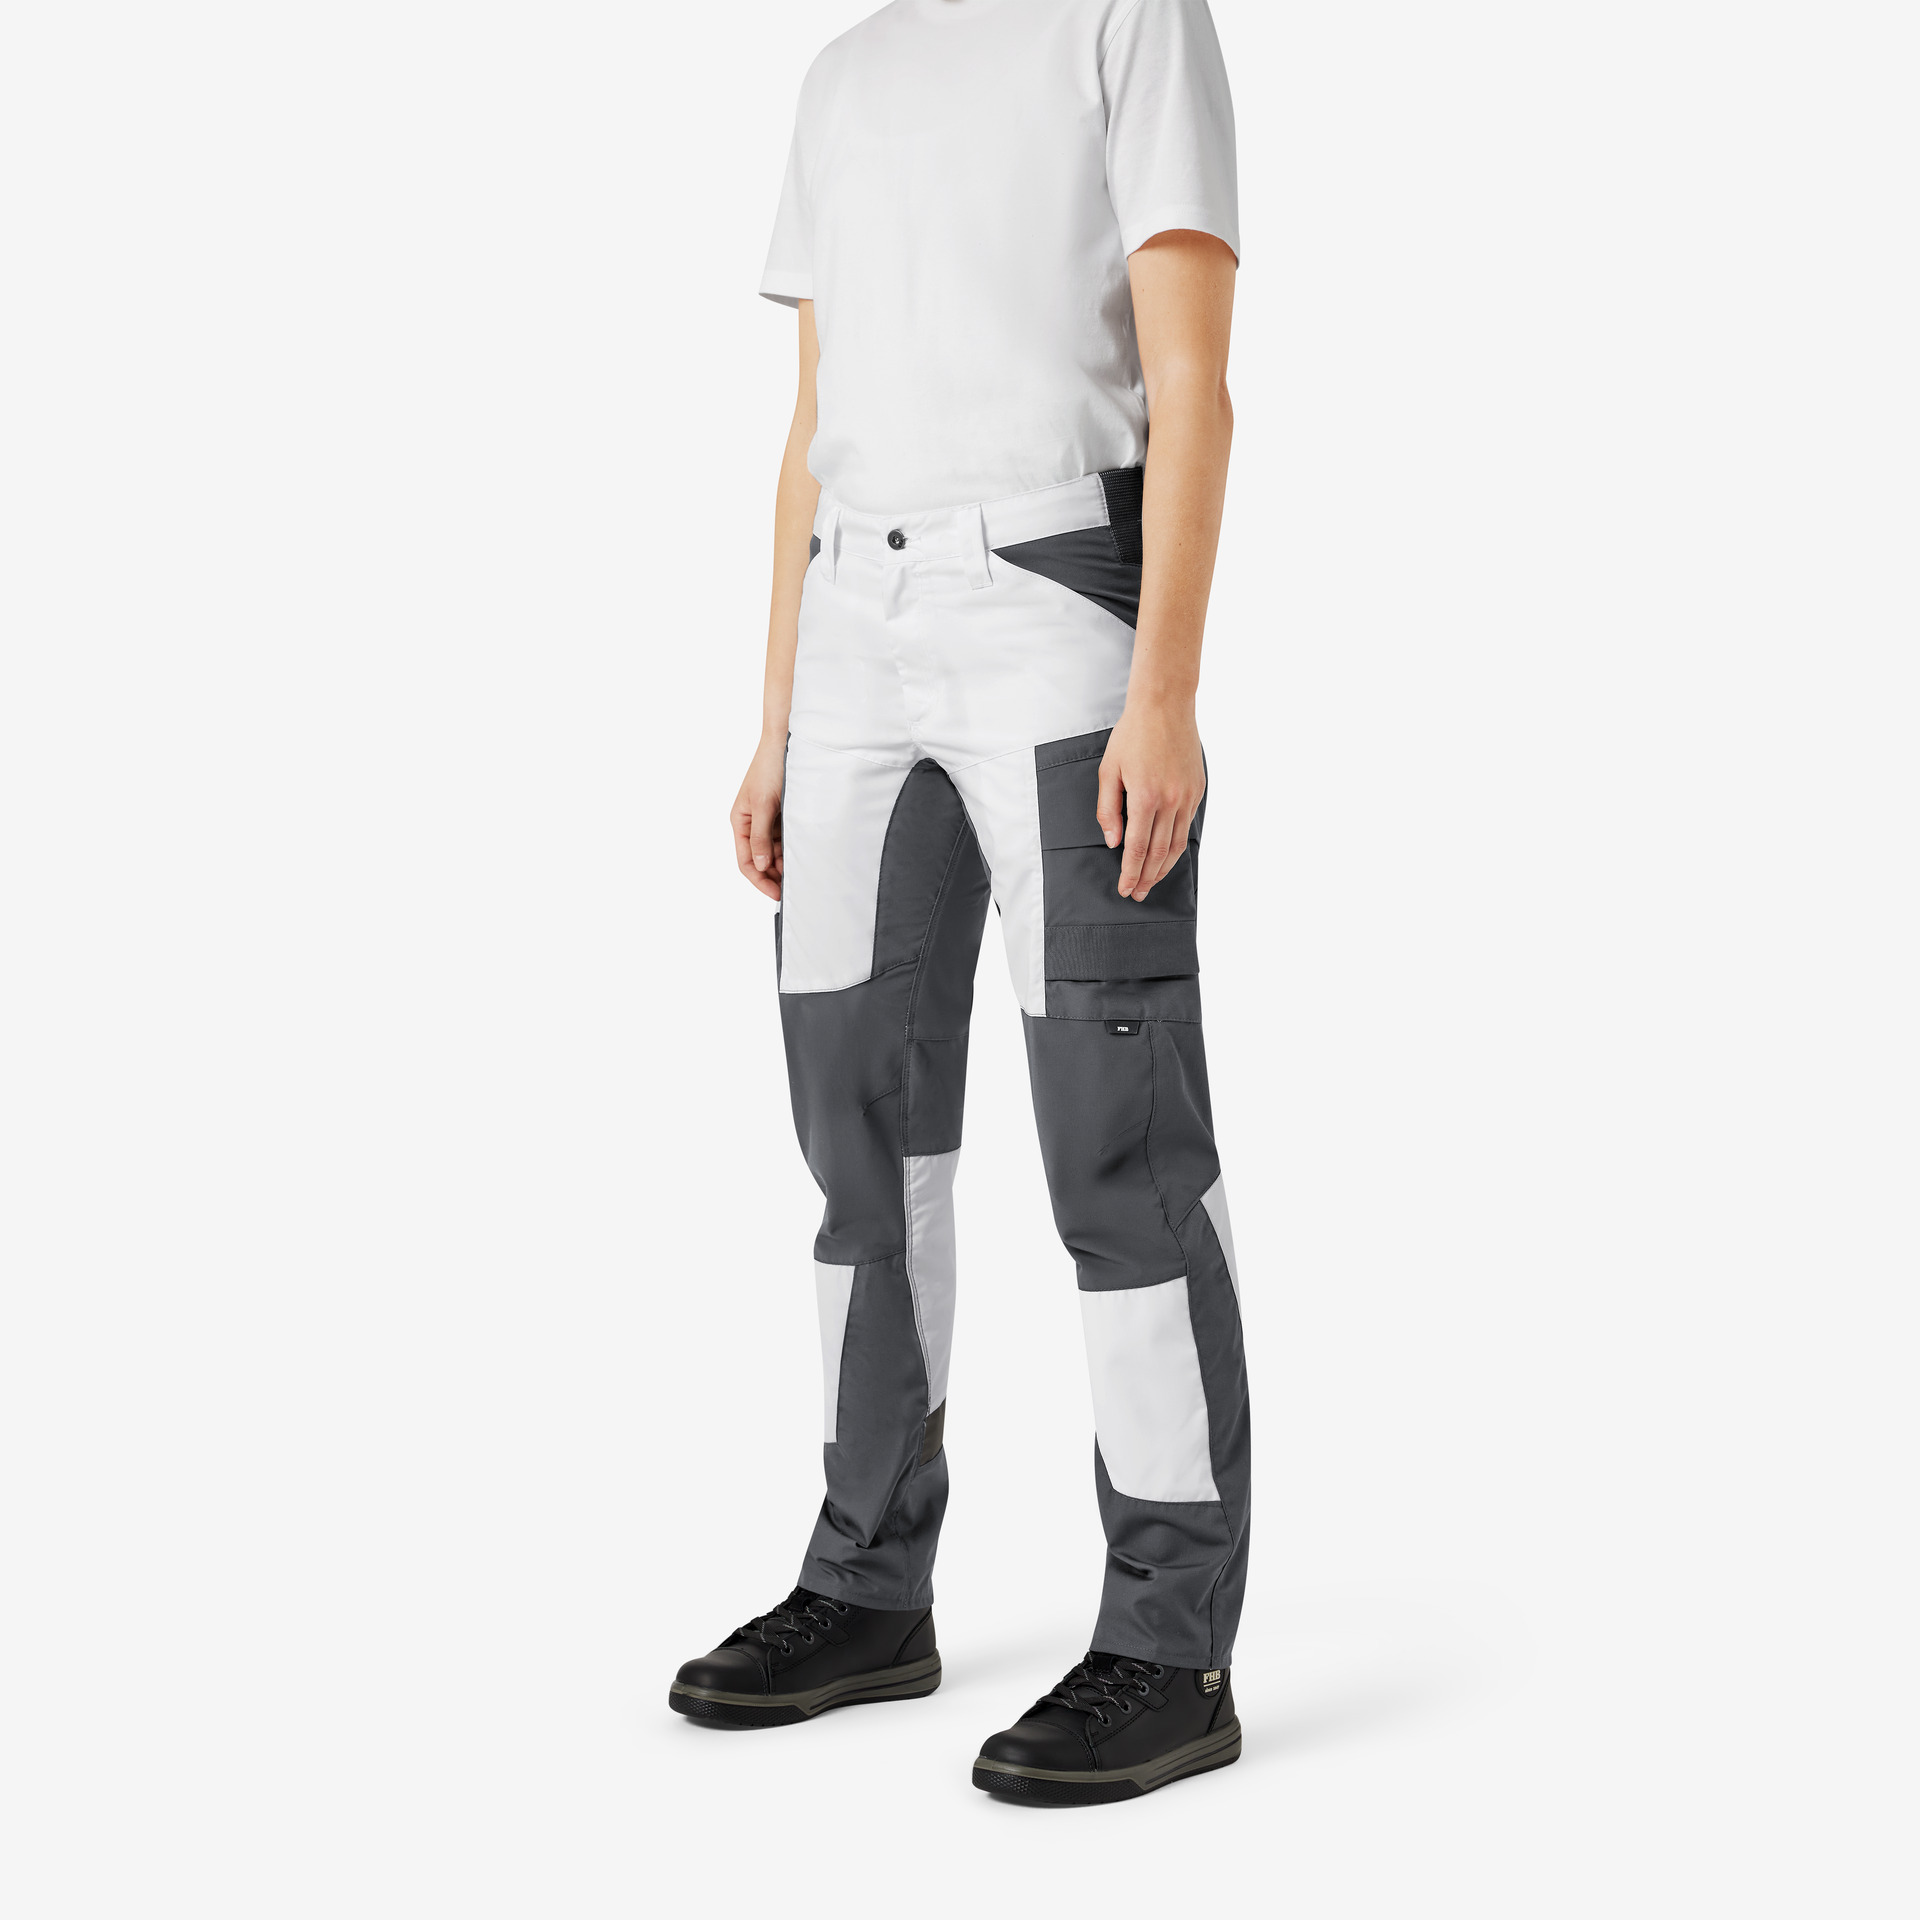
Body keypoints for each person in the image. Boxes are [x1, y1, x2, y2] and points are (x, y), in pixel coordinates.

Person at [670, 0, 1250, 1805]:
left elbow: (1192, 382)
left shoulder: (1127, 18)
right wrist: (775, 716)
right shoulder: (843, 72)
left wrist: (1166, 691)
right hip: (855, 626)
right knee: (861, 1142)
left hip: (1057, 599)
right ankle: (866, 1585)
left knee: (1117, 1146)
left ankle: (1169, 1642)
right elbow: (811, 422)